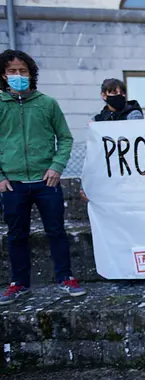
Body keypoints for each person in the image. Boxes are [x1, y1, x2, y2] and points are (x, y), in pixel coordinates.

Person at [0, 49, 84, 305]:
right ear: (3, 75)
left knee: (56, 230)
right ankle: (19, 283)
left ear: (30, 73)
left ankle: (65, 278)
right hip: (12, 184)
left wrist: (57, 166)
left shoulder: (47, 104)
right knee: (16, 234)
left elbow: (66, 138)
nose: (18, 75)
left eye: (22, 71)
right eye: (12, 71)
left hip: (46, 181)